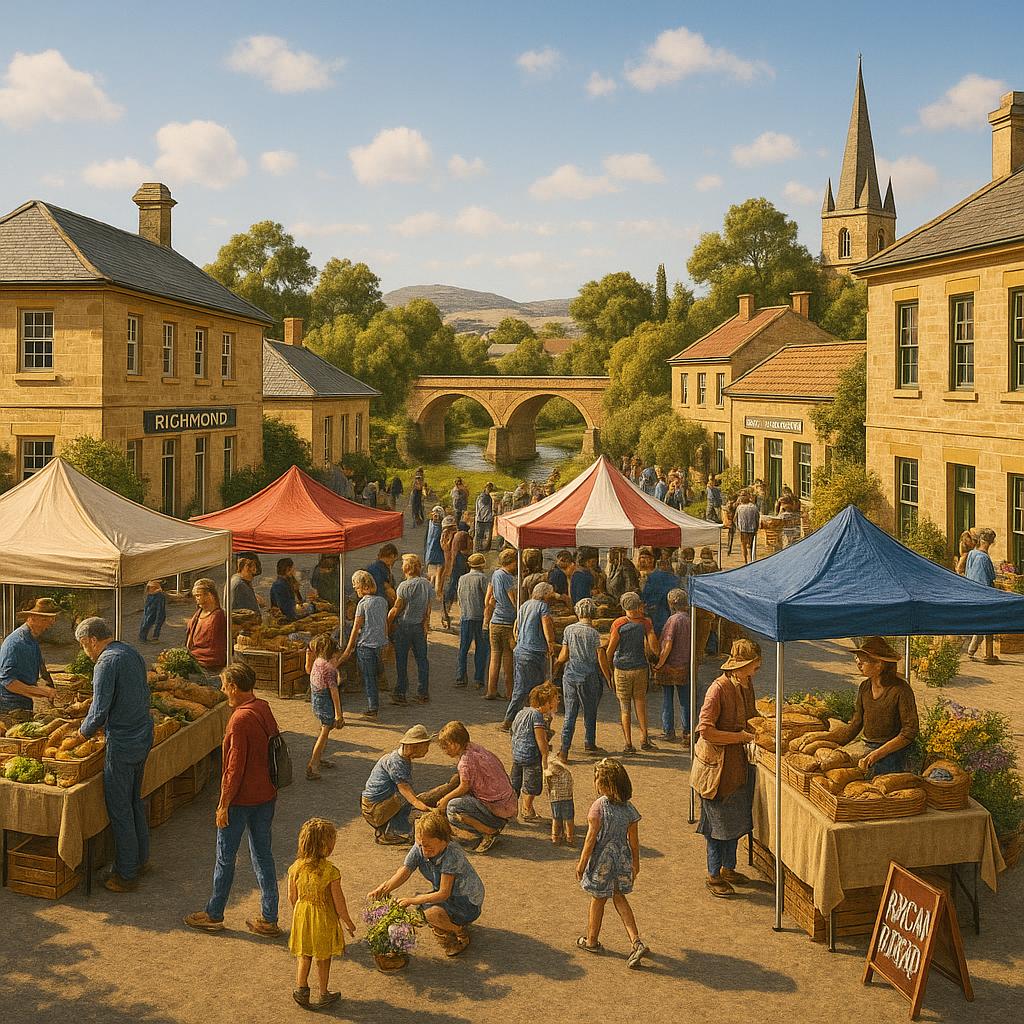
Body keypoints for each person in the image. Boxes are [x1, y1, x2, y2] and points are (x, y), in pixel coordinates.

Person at [185, 661, 282, 935]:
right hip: (266, 795)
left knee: (225, 857)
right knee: (263, 855)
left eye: (225, 685)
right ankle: (269, 916)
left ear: (235, 687)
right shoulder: (262, 707)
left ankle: (214, 913)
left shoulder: (239, 719)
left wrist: (223, 804)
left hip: (241, 800)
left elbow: (233, 767)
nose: (222, 689)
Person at [74, 617, 153, 892]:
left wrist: (81, 735)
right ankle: (141, 859)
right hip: (143, 733)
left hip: (123, 740)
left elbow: (99, 710)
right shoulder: (130, 651)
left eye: (85, 646)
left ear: (92, 640)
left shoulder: (106, 662)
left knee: (119, 807)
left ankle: (125, 873)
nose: (86, 652)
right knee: (133, 800)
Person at [369, 810, 483, 957]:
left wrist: (412, 900)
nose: (424, 850)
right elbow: (405, 870)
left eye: (429, 846)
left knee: (430, 913)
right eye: (421, 845)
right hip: (449, 897)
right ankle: (450, 923)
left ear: (444, 841)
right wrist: (385, 888)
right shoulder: (421, 846)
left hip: (466, 902)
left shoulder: (452, 855)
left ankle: (460, 933)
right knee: (423, 907)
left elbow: (443, 893)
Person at [697, 638, 760, 899]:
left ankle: (729, 868)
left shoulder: (746, 684)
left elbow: (750, 715)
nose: (757, 670)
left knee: (735, 820)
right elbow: (706, 730)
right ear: (741, 665)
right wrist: (739, 737)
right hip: (716, 767)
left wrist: (762, 728)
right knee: (717, 824)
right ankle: (713, 874)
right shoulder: (718, 689)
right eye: (754, 666)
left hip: (737, 765)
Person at [575, 758, 648, 968]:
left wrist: (581, 863)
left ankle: (591, 941)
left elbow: (590, 839)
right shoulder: (629, 810)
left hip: (602, 861)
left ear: (605, 784)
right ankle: (636, 941)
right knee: (619, 898)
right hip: (622, 859)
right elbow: (634, 841)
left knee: (597, 899)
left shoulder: (598, 807)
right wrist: (636, 863)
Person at [288, 818, 356, 1011]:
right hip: (323, 918)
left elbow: (292, 896)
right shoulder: (330, 872)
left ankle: (302, 989)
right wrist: (348, 921)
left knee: (305, 954)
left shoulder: (295, 868)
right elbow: (339, 902)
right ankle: (324, 993)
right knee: (323, 958)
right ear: (325, 846)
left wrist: (300, 913)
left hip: (302, 915)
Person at [830, 637, 920, 776]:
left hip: (892, 752)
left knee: (871, 777)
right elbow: (856, 724)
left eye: (863, 660)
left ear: (879, 664)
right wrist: (831, 742)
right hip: (867, 746)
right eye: (857, 659)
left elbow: (909, 732)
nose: (858, 663)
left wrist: (877, 754)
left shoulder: (901, 689)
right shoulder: (864, 687)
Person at [436, 720, 517, 853]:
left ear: (455, 745)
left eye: (446, 747)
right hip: (507, 803)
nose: (444, 751)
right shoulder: (475, 748)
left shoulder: (465, 762)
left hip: (496, 811)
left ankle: (489, 831)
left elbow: (464, 786)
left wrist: (445, 799)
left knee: (453, 808)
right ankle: (489, 825)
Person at [360, 724, 440, 844]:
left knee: (409, 797)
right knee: (405, 797)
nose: (427, 750)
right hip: (373, 809)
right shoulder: (397, 763)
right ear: (414, 747)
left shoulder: (401, 759)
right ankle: (387, 832)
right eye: (426, 746)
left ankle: (393, 829)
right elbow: (407, 794)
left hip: (378, 803)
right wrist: (429, 809)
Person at [556, 598, 610, 758]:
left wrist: (556, 665)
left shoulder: (569, 630)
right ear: (592, 613)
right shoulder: (594, 633)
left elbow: (564, 655)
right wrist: (608, 677)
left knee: (570, 713)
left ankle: (564, 749)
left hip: (571, 674)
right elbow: (601, 657)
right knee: (590, 711)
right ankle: (589, 742)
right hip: (589, 676)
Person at [501, 581, 558, 730]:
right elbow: (546, 625)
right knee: (538, 689)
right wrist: (551, 643)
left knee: (520, 687)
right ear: (545, 595)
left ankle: (511, 719)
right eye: (550, 595)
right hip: (535, 651)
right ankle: (535, 721)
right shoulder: (542, 607)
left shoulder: (525, 605)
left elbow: (517, 626)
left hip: (521, 650)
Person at [606, 593, 658, 754]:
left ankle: (628, 743)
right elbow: (654, 647)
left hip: (622, 669)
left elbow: (611, 649)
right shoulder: (645, 623)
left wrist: (608, 669)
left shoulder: (619, 624)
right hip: (640, 667)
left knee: (624, 707)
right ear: (639, 606)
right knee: (640, 703)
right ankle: (644, 738)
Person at [339, 570, 389, 718]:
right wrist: (386, 640)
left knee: (368, 677)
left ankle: (372, 706)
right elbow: (384, 623)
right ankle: (376, 698)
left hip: (366, 645)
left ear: (364, 586)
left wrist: (349, 648)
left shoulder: (362, 604)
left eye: (356, 587)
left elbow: (356, 627)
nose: (356, 590)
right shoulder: (382, 601)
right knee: (376, 672)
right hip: (380, 643)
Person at [388, 554, 433, 705]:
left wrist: (387, 624)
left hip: (405, 625)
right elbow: (428, 607)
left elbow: (397, 608)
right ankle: (423, 692)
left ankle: (401, 691)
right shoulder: (426, 584)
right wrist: (426, 623)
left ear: (407, 568)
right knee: (422, 660)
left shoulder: (404, 586)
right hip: (419, 625)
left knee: (401, 660)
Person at [0, 598, 59, 711]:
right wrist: (42, 691)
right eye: (45, 620)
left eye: (52, 619)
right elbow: (9, 682)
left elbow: (42, 667)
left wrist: (49, 685)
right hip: (10, 706)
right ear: (31, 618)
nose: (50, 625)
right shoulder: (15, 643)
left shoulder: (32, 640)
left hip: (25, 701)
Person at [511, 682, 558, 822]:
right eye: (556, 699)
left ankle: (511, 810)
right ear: (547, 702)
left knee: (515, 784)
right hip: (531, 756)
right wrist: (545, 757)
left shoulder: (522, 712)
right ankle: (527, 809)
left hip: (517, 755)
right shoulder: (537, 716)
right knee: (531, 785)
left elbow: (512, 731)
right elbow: (540, 739)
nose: (558, 701)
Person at [652, 589, 691, 743]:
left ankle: (668, 731)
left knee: (667, 699)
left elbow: (667, 644)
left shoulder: (673, 620)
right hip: (685, 665)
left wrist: (659, 664)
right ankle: (687, 732)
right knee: (684, 701)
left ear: (672, 604)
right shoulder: (689, 618)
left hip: (670, 665)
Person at [303, 634, 343, 780]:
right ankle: (313, 764)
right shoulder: (329, 669)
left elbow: (308, 670)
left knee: (324, 728)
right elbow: (334, 693)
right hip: (325, 700)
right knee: (325, 731)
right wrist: (339, 715)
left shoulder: (317, 662)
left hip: (316, 698)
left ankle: (319, 758)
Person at [484, 548, 518, 701]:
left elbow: (488, 598)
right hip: (507, 622)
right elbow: (513, 599)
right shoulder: (508, 577)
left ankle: (491, 690)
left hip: (495, 621)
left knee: (494, 657)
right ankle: (510, 692)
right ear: (511, 563)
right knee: (508, 658)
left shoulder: (495, 574)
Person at [456, 553, 490, 689]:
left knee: (463, 648)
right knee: (481, 649)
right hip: (480, 616)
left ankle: (460, 676)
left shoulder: (462, 578)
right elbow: (487, 599)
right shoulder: (482, 578)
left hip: (466, 615)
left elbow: (459, 596)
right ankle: (478, 679)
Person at [965, 528, 1000, 663]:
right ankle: (986, 653)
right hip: (984, 594)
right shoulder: (984, 558)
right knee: (987, 622)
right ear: (989, 543)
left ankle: (973, 650)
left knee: (983, 622)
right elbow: (990, 577)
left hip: (972, 591)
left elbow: (968, 573)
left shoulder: (972, 554)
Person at [186, 578, 228, 675]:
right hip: (195, 658)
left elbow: (216, 648)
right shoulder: (198, 613)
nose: (196, 598)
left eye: (198, 595)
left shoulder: (217, 616)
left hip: (209, 664)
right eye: (195, 596)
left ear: (210, 595)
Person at [640, 552, 680, 639]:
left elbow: (646, 594)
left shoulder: (652, 577)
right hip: (670, 608)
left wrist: (644, 602)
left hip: (656, 610)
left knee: (656, 632)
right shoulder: (675, 578)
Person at [442, 521, 472, 631]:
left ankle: (446, 610)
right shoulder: (464, 535)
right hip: (460, 564)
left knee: (451, 586)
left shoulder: (455, 535)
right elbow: (466, 549)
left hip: (453, 564)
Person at [545, 752, 575, 845]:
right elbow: (570, 784)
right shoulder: (566, 772)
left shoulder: (549, 773)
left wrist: (549, 795)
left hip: (555, 798)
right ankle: (569, 837)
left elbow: (547, 786)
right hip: (567, 797)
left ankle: (555, 837)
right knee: (569, 818)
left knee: (556, 818)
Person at [424, 505, 446, 594]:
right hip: (439, 554)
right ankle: (438, 593)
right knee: (438, 576)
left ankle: (429, 593)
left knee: (432, 575)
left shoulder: (430, 524)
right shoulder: (441, 527)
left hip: (429, 554)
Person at [138, 579, 167, 644]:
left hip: (156, 611)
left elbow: (160, 607)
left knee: (156, 623)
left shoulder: (159, 595)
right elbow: (147, 605)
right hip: (150, 611)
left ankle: (154, 637)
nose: (150, 589)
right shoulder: (150, 595)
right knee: (146, 622)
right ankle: (143, 637)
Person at [735, 491, 760, 565]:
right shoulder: (754, 507)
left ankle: (745, 561)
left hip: (743, 529)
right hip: (752, 529)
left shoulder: (739, 508)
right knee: (750, 545)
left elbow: (734, 519)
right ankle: (751, 560)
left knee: (744, 545)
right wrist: (756, 528)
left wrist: (738, 527)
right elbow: (757, 519)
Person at [474, 483, 495, 552]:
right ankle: (478, 549)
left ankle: (484, 549)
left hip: (485, 519)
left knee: (485, 536)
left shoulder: (488, 497)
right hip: (482, 519)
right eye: (488, 488)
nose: (489, 489)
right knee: (480, 535)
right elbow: (484, 507)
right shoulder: (482, 497)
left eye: (490, 488)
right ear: (485, 488)